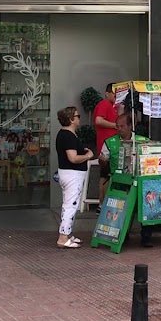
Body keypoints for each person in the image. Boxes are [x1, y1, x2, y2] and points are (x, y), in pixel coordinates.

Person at [99, 113, 155, 247]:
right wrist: (102, 162)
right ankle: (121, 234)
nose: (119, 129)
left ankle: (146, 237)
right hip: (119, 182)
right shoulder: (109, 142)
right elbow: (103, 166)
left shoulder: (143, 141)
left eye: (122, 126)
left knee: (148, 204)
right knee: (120, 207)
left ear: (130, 126)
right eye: (117, 126)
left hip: (141, 182)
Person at [55, 106, 93, 249]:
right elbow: (73, 158)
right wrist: (87, 156)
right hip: (72, 174)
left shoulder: (65, 134)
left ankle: (67, 233)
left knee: (69, 203)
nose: (79, 118)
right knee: (70, 205)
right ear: (71, 119)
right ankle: (63, 237)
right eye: (77, 116)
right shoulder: (69, 136)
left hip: (67, 173)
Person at [94, 83, 121, 200]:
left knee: (109, 174)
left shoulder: (113, 107)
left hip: (113, 146)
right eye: (114, 95)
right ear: (107, 93)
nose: (116, 97)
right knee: (105, 175)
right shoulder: (104, 104)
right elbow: (98, 120)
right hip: (106, 146)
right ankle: (102, 202)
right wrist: (114, 125)